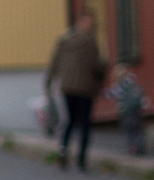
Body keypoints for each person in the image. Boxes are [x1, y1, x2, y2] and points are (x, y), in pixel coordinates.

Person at [43, 12, 108, 171]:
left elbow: (54, 62)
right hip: (85, 88)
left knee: (70, 121)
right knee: (84, 123)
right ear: (82, 23)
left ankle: (63, 152)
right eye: (89, 24)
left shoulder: (63, 40)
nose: (90, 27)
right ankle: (81, 159)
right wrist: (103, 72)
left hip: (67, 87)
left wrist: (49, 81)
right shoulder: (90, 41)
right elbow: (97, 66)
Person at [103, 62, 148, 156]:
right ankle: (141, 147)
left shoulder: (121, 85)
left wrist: (98, 91)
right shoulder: (133, 81)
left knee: (130, 130)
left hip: (126, 111)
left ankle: (133, 148)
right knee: (138, 129)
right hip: (136, 109)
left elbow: (110, 94)